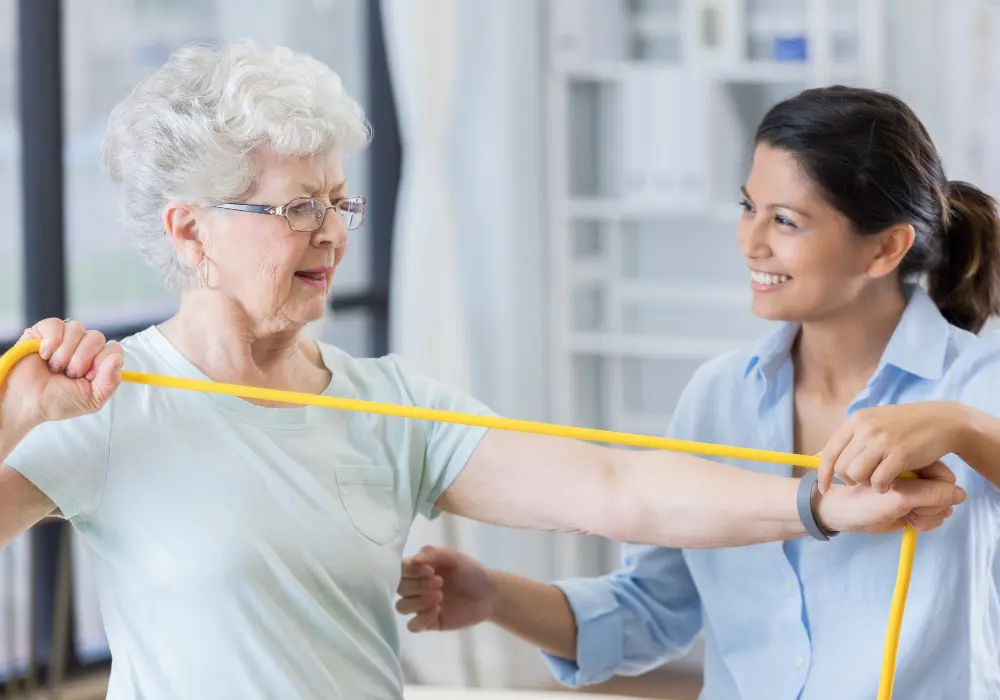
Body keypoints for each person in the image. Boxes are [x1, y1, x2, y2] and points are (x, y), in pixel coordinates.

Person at [396, 85, 1000, 700]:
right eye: (748, 207)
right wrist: (494, 596)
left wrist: (965, 428)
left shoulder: (979, 383)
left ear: (885, 247)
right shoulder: (719, 397)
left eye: (786, 220)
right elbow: (652, 609)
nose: (750, 241)